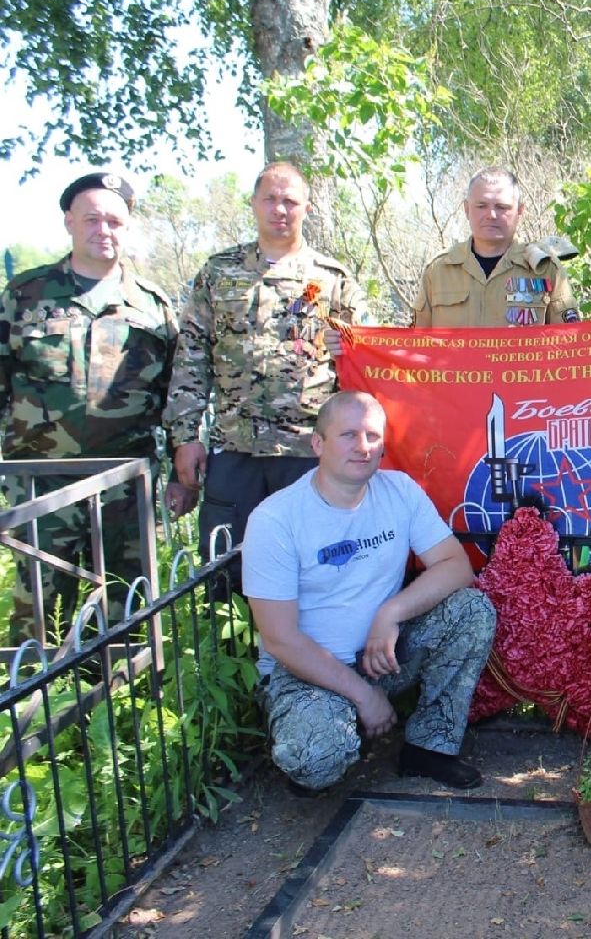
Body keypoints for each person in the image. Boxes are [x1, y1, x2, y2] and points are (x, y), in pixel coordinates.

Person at [243, 391, 496, 792]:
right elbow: (280, 640)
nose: (363, 447)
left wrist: (390, 613)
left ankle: (429, 748)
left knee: (471, 609)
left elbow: (456, 566)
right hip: (307, 676)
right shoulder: (276, 519)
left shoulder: (399, 491)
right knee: (315, 758)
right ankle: (334, 733)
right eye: (348, 435)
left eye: (373, 436)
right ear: (318, 444)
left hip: (383, 658)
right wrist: (362, 695)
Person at [1, 173, 191, 640]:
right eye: (91, 219)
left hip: (126, 480)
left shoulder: (152, 306)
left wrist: (182, 474)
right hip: (40, 479)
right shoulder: (25, 296)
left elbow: (176, 397)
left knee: (129, 604)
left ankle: (124, 701)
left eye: (114, 221)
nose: (103, 230)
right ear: (69, 222)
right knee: (40, 610)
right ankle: (34, 707)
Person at [164, 162, 369, 560]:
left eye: (290, 201)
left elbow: (361, 366)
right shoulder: (219, 272)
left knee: (314, 562)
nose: (280, 209)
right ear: (254, 204)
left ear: (307, 209)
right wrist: (185, 436)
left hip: (307, 450)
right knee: (230, 566)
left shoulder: (333, 278)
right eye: (270, 200)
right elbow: (191, 357)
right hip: (234, 446)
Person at [413, 168, 581, 327]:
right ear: (466, 209)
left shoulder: (546, 269)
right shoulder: (438, 271)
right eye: (481, 206)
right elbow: (417, 345)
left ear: (520, 211)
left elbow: (569, 343)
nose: (491, 215)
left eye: (502, 207)